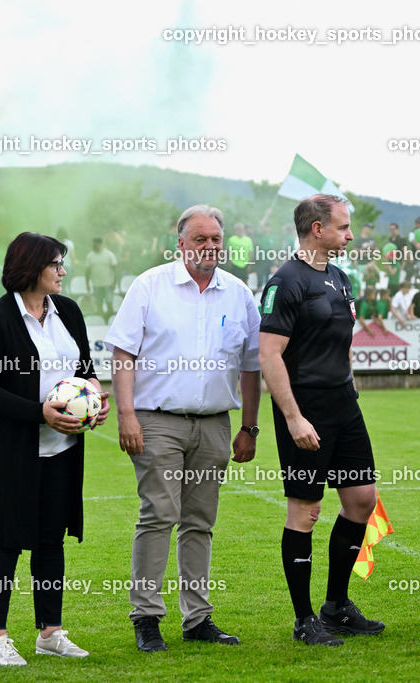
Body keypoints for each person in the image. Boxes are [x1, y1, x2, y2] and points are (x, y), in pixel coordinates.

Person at [106, 204, 262, 652]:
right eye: (200, 239)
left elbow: (252, 367)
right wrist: (127, 415)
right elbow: (123, 355)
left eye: (216, 239)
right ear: (180, 244)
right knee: (158, 515)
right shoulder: (149, 285)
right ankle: (147, 617)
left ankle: (197, 619)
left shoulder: (238, 294)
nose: (210, 247)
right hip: (157, 421)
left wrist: (249, 427)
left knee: (200, 522)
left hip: (214, 424)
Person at [0, 232, 110, 666]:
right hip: (14, 452)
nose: (63, 271)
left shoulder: (68, 311)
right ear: (31, 267)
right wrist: (40, 412)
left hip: (64, 450)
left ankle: (50, 633)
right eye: (56, 263)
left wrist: (94, 398)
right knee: (6, 542)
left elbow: (84, 368)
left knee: (51, 542)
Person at [258, 194, 384, 647]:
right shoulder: (285, 281)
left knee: (361, 500)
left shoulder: (339, 277)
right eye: (344, 227)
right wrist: (293, 418)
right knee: (305, 511)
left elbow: (341, 342)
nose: (350, 235)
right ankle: (303, 618)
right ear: (317, 229)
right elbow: (269, 355)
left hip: (343, 407)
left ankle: (336, 606)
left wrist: (349, 384)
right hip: (304, 408)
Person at [85, 237, 118, 318]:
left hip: (108, 284)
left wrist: (114, 282)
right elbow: (87, 271)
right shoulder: (90, 256)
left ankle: (109, 320)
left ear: (100, 244)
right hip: (96, 284)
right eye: (93, 245)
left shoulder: (109, 255)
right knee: (98, 304)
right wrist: (87, 284)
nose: (94, 246)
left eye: (96, 245)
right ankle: (101, 319)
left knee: (109, 302)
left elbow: (115, 270)